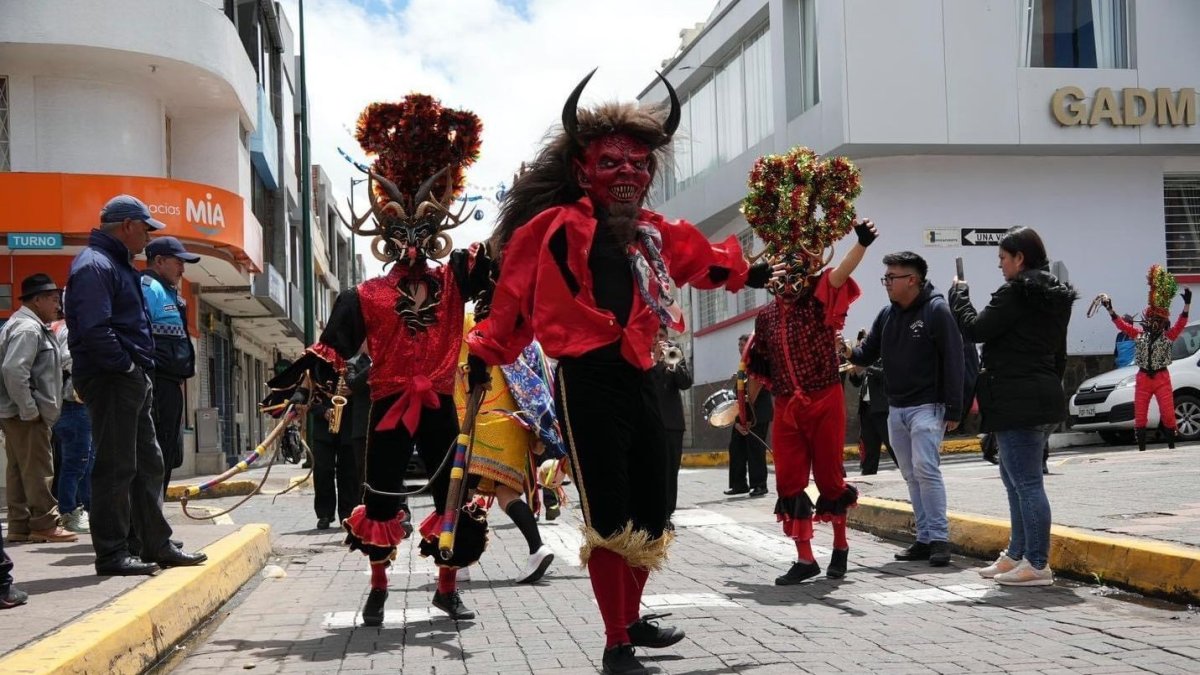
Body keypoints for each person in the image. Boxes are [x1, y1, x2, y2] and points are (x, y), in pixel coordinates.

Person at [466, 71, 775, 675]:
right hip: (590, 380)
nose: (628, 173)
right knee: (609, 511)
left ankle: (631, 617)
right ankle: (616, 644)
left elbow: (711, 265)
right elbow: (510, 313)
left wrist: (763, 274)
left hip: (655, 379)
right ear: (584, 171)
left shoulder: (660, 236)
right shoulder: (547, 232)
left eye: (638, 163)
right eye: (611, 162)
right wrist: (484, 354)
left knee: (655, 507)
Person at [262, 94, 491, 627]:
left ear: (436, 232)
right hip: (387, 406)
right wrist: (302, 388)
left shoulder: (456, 278)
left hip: (439, 408)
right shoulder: (362, 296)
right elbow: (331, 348)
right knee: (382, 502)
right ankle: (379, 587)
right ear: (386, 237)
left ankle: (446, 587)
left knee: (451, 497)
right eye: (400, 235)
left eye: (421, 234)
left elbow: (501, 280)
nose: (412, 248)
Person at [66, 194, 208, 576]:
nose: (148, 237)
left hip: (131, 378)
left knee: (149, 462)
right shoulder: (94, 266)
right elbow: (95, 329)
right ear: (127, 225)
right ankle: (112, 554)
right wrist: (127, 367)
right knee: (116, 465)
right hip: (112, 378)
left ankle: (154, 544)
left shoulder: (116, 264)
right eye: (146, 228)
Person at [748, 217, 877, 585]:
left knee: (829, 478)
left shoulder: (820, 297)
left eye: (795, 274)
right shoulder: (766, 316)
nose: (787, 283)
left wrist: (862, 244)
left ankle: (839, 546)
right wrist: (745, 410)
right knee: (788, 479)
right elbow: (759, 366)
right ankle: (805, 558)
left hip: (824, 397)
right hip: (786, 404)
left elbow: (840, 273)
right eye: (780, 275)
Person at [949, 226, 1076, 587]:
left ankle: (1036, 563)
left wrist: (959, 296)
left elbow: (975, 328)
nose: (1001, 266)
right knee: (1014, 478)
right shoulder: (1053, 297)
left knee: (1026, 482)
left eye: (1003, 259)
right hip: (1039, 393)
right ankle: (1017, 555)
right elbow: (1059, 353)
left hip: (1018, 396)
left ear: (1020, 258)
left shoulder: (1016, 293)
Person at [848, 251, 963, 568]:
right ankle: (924, 539)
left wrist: (954, 408)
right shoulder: (886, 315)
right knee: (911, 475)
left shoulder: (936, 310)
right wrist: (846, 349)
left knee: (926, 470)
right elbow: (866, 353)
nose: (886, 282)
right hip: (896, 409)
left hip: (929, 405)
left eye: (891, 277)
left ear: (912, 279)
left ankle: (940, 539)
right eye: (885, 277)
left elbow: (955, 359)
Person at [456, 315, 562, 584]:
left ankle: (459, 560)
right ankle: (537, 548)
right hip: (515, 425)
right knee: (507, 494)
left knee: (459, 492)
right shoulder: (525, 337)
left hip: (483, 422)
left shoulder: (468, 325)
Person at [0, 274, 74, 544]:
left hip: (17, 413)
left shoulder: (23, 324)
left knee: (20, 470)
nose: (57, 305)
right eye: (53, 299)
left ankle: (19, 526)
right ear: (37, 300)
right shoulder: (29, 329)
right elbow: (13, 370)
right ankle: (45, 524)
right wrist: (29, 409)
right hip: (25, 415)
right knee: (40, 470)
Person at [1100, 269, 1190, 452]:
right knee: (1140, 412)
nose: (1153, 323)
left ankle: (1171, 443)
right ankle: (1142, 446)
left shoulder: (1168, 336)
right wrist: (1110, 309)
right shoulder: (1139, 335)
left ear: (1162, 322)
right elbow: (1121, 325)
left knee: (1167, 411)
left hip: (1162, 376)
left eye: (1157, 320)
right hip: (1143, 377)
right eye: (1151, 320)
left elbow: (1181, 323)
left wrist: (1187, 305)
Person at [140, 236, 200, 495]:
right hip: (157, 383)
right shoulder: (147, 287)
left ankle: (155, 519)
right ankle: (147, 525)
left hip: (171, 384)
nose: (182, 269)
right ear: (159, 261)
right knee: (155, 455)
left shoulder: (170, 292)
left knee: (168, 453)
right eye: (178, 262)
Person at [50, 318, 94, 533]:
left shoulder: (67, 326)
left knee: (85, 462)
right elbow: (69, 360)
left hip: (78, 403)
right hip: (74, 403)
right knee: (76, 463)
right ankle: (69, 512)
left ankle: (84, 509)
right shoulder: (70, 328)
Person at [310, 356, 362, 530]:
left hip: (348, 427)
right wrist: (323, 411)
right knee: (322, 471)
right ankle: (325, 514)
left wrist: (353, 389)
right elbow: (309, 397)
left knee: (348, 473)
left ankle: (347, 514)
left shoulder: (354, 364)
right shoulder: (317, 366)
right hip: (323, 428)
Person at [650, 326, 692, 515]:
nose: (659, 339)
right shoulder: (642, 351)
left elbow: (685, 383)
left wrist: (673, 366)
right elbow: (646, 381)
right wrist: (657, 362)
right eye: (655, 336)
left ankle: (667, 513)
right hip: (650, 422)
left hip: (672, 423)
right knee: (653, 470)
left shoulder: (674, 350)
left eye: (662, 336)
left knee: (671, 471)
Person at [726, 333, 771, 497]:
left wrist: (745, 418)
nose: (740, 349)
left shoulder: (757, 363)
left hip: (758, 414)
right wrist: (737, 420)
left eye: (743, 345)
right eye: (739, 346)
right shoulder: (743, 366)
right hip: (742, 414)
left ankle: (759, 484)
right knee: (735, 447)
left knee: (755, 450)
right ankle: (739, 484)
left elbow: (753, 393)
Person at [847, 347, 894, 476]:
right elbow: (857, 383)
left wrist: (868, 366)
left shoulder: (886, 354)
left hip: (882, 408)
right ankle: (868, 472)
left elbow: (887, 375)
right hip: (866, 409)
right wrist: (854, 374)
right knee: (869, 446)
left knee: (892, 444)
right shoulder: (868, 360)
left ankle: (909, 472)